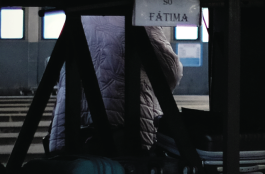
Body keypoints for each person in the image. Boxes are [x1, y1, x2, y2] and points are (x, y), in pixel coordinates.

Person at [49, 16, 184, 152]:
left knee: (79, 170)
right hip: (123, 127)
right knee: (122, 169)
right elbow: (172, 71)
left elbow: (56, 70)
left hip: (71, 126)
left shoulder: (78, 17)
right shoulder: (141, 16)